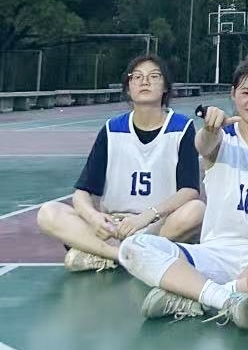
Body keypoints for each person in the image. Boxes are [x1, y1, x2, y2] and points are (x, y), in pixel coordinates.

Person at [118, 50, 248, 328]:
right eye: (246, 92)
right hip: (213, 254)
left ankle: (194, 295)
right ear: (233, 94)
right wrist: (211, 128)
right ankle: (225, 298)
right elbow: (203, 145)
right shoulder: (221, 138)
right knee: (133, 247)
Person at [37, 55, 204, 273]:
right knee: (48, 213)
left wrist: (146, 217)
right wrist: (94, 218)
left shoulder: (182, 128)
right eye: (137, 77)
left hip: (157, 223)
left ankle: (102, 252)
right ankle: (122, 255)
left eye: (154, 76)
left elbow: (189, 191)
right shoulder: (112, 129)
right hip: (114, 225)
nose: (145, 81)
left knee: (196, 210)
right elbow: (81, 193)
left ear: (165, 87)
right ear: (128, 88)